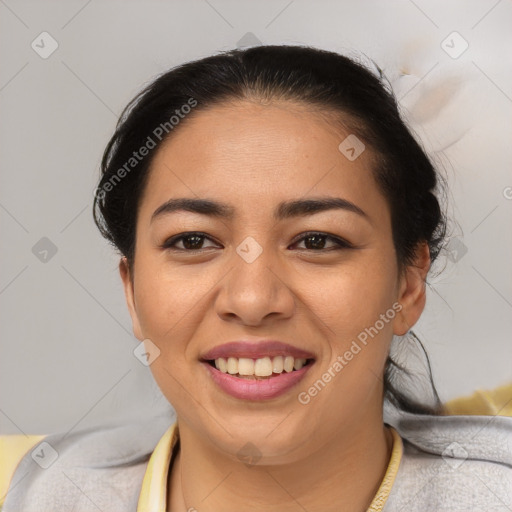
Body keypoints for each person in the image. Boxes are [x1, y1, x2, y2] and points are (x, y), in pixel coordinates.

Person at [2, 45, 511, 512]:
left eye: (317, 241)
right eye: (193, 241)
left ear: (407, 285)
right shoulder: (25, 491)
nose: (251, 299)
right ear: (131, 289)